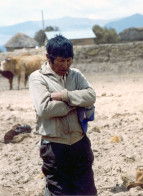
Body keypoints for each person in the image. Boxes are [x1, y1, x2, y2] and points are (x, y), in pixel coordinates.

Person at [29, 35, 97, 195]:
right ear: (48, 58)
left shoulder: (76, 75)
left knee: (86, 191)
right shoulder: (37, 78)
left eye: (69, 60)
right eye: (61, 61)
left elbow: (91, 96)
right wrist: (75, 103)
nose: (65, 65)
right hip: (54, 146)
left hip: (79, 142)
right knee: (59, 191)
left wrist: (65, 96)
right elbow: (44, 108)